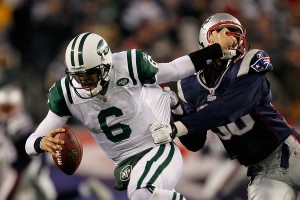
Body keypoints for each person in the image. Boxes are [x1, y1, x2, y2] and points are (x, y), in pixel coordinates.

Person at [25, 31, 235, 200]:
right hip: (126, 163)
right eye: (78, 76)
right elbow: (30, 142)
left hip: (155, 147)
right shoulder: (66, 93)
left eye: (90, 74)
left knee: (142, 193)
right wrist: (41, 143)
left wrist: (215, 50)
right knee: (140, 194)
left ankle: (172, 103)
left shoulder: (127, 64)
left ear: (106, 65)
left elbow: (174, 70)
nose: (85, 81)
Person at [150, 13, 300, 200]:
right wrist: (177, 111)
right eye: (224, 33)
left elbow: (232, 107)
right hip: (261, 172)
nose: (231, 39)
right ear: (206, 38)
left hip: (291, 154)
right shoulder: (188, 86)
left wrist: (176, 128)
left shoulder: (250, 61)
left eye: (236, 34)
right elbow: (195, 143)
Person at [0, 84, 57, 200]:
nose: (3, 112)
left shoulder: (20, 121)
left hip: (27, 166)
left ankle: (83, 189)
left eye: (7, 108)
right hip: (15, 166)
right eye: (1, 108)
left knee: (48, 195)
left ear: (18, 106)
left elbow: (18, 136)